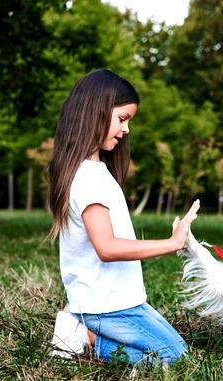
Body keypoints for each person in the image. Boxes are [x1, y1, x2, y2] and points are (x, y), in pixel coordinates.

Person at [47, 68, 199, 365]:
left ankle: (86, 331)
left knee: (177, 349)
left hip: (118, 301)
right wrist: (172, 243)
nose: (126, 129)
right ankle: (81, 335)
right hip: (106, 307)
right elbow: (107, 248)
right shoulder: (89, 178)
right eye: (122, 119)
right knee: (175, 359)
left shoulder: (91, 171)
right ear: (96, 112)